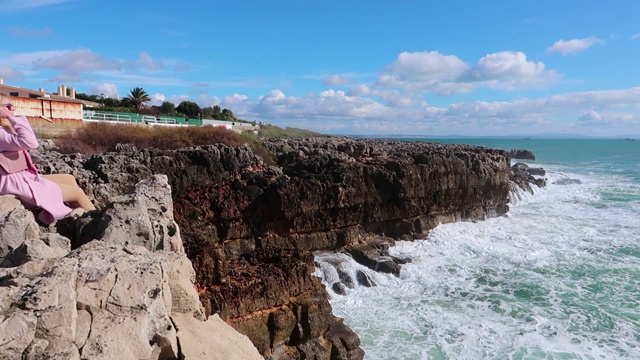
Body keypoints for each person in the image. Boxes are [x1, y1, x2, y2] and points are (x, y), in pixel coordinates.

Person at [0, 93, 95, 224]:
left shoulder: (3, 129)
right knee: (77, 193)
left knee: (69, 178)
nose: (13, 109)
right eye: (8, 106)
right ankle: (97, 224)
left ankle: (75, 220)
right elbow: (31, 142)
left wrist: (9, 122)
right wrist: (12, 118)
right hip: (14, 182)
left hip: (21, 176)